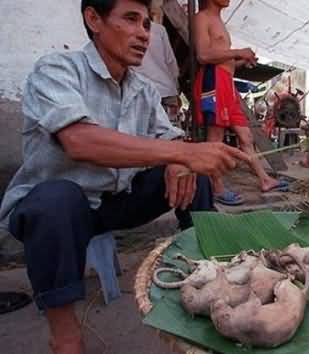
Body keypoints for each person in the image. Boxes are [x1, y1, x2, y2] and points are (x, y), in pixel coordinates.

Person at [0, 1, 249, 353]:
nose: (143, 34)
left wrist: (182, 158)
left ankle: (211, 278)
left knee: (198, 174)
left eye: (147, 25)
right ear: (94, 19)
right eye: (130, 20)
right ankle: (66, 336)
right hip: (62, 214)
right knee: (54, 200)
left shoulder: (143, 89)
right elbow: (79, 141)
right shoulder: (57, 69)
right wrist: (182, 153)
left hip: (115, 201)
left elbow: (169, 139)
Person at [193, 0, 287, 206]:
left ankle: (265, 179)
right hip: (214, 81)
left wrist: (240, 62)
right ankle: (216, 187)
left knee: (246, 135)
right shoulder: (202, 17)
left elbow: (221, 58)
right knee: (215, 136)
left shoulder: (218, 20)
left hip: (227, 82)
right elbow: (203, 55)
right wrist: (238, 52)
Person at [134, 21, 180, 123]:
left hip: (142, 91)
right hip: (167, 90)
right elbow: (171, 61)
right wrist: (176, 88)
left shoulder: (125, 30)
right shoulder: (159, 29)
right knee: (170, 133)